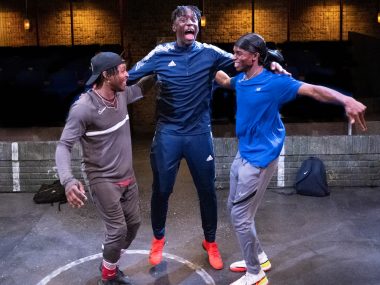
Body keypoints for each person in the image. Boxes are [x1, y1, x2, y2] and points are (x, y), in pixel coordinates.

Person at [127, 5, 288, 270]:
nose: (190, 22)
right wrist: (100, 88)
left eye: (194, 19)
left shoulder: (209, 53)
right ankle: (158, 239)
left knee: (206, 191)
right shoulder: (160, 53)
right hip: (168, 133)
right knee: (162, 190)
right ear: (173, 26)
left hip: (199, 133)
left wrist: (271, 60)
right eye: (183, 18)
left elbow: (243, 61)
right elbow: (128, 76)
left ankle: (210, 242)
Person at [215, 33, 367, 285]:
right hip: (243, 152)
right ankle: (260, 257)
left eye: (239, 53)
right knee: (235, 210)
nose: (234, 57)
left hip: (260, 159)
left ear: (254, 56)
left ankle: (255, 274)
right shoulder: (241, 80)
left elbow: (314, 91)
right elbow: (223, 80)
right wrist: (205, 63)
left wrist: (346, 99)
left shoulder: (275, 82)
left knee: (240, 217)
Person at [55, 52, 154, 285]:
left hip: (127, 176)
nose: (127, 74)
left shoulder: (121, 95)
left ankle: (109, 260)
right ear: (107, 75)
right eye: (122, 71)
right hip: (102, 179)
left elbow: (142, 88)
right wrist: (68, 180)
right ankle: (108, 277)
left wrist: (162, 72)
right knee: (117, 230)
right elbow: (63, 145)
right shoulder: (83, 108)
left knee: (134, 225)